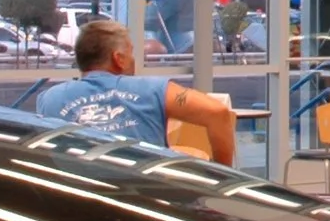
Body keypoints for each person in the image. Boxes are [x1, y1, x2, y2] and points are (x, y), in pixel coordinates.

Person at [38, 18, 236, 164]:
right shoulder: (151, 89)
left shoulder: (49, 99)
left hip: (74, 204)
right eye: (131, 52)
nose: (134, 60)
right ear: (119, 58)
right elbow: (217, 113)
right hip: (142, 200)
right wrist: (221, 179)